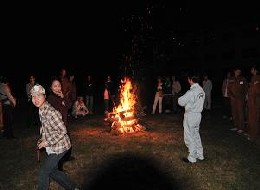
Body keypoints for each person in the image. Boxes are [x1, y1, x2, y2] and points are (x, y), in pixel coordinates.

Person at [30, 84, 80, 190]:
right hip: (54, 145)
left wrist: (47, 142)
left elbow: (63, 131)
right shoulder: (41, 109)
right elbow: (45, 127)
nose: (36, 99)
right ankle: (73, 187)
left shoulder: (51, 112)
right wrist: (43, 139)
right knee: (52, 171)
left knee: (44, 171)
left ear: (44, 96)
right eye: (33, 96)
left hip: (60, 146)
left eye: (38, 95)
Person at [178, 73, 205, 163]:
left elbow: (181, 102)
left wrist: (182, 98)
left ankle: (192, 157)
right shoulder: (201, 90)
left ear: (190, 80)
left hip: (191, 116)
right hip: (198, 115)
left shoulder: (191, 92)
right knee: (196, 134)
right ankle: (200, 154)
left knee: (189, 136)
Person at [228, 67, 248, 133]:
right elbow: (228, 89)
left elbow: (246, 88)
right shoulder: (231, 79)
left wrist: (245, 96)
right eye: (237, 71)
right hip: (233, 99)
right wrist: (231, 96)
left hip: (240, 99)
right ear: (234, 71)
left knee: (240, 113)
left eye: (239, 71)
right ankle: (236, 126)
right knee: (234, 113)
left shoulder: (242, 79)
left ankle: (241, 128)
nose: (238, 72)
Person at [247, 65, 260, 141]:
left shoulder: (258, 78)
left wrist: (252, 86)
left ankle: (254, 135)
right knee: (251, 118)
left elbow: (257, 90)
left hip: (255, 102)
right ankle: (252, 133)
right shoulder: (253, 78)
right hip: (251, 102)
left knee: (254, 119)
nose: (251, 70)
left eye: (252, 69)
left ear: (255, 70)